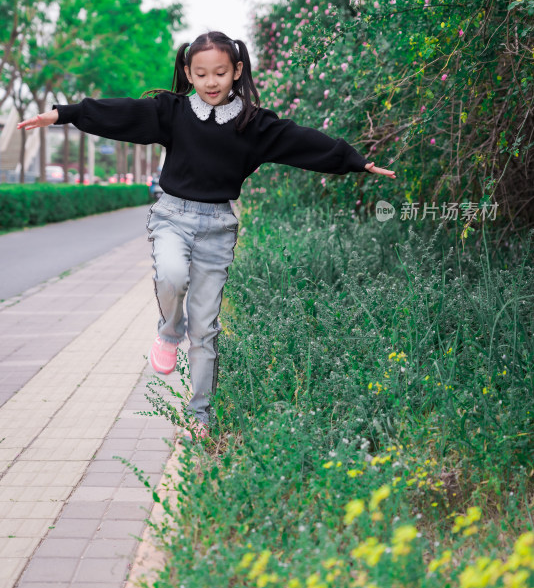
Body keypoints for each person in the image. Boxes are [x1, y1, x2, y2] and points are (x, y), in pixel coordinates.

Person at [17, 30, 396, 442]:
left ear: (236, 71)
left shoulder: (254, 124)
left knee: (206, 328)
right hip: (172, 217)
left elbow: (302, 141)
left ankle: (200, 415)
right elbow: (122, 113)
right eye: (201, 73)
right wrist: (63, 113)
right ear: (188, 73)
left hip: (218, 227)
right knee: (172, 277)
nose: (211, 82)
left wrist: (356, 162)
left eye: (219, 72)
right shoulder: (173, 111)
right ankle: (167, 331)